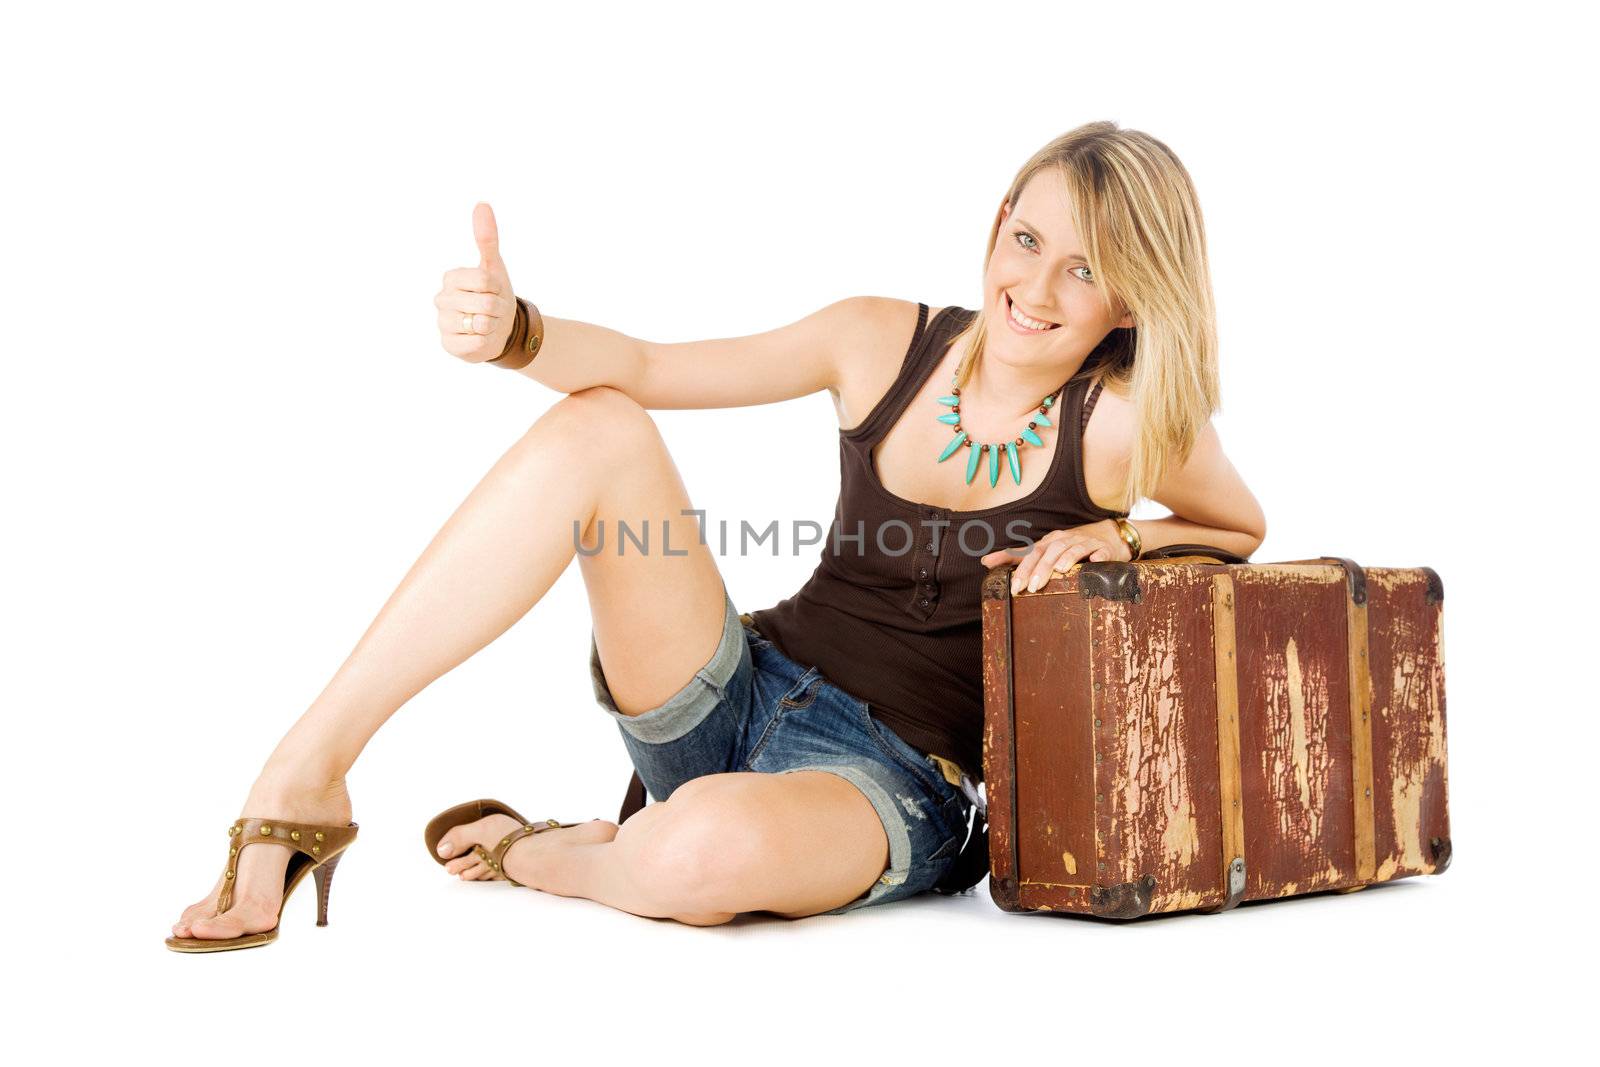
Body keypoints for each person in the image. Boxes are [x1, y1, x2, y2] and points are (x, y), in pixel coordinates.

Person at [167, 120, 1266, 944]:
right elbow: (648, 367)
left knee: (695, 854)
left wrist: (1129, 539)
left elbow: (1239, 526)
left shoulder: (1124, 423)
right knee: (601, 424)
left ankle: (555, 852)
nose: (1033, 284)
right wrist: (518, 333)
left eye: (1082, 266)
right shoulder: (878, 338)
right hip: (738, 685)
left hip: (890, 784)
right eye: (1024, 238)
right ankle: (303, 776)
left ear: (1130, 296)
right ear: (994, 227)